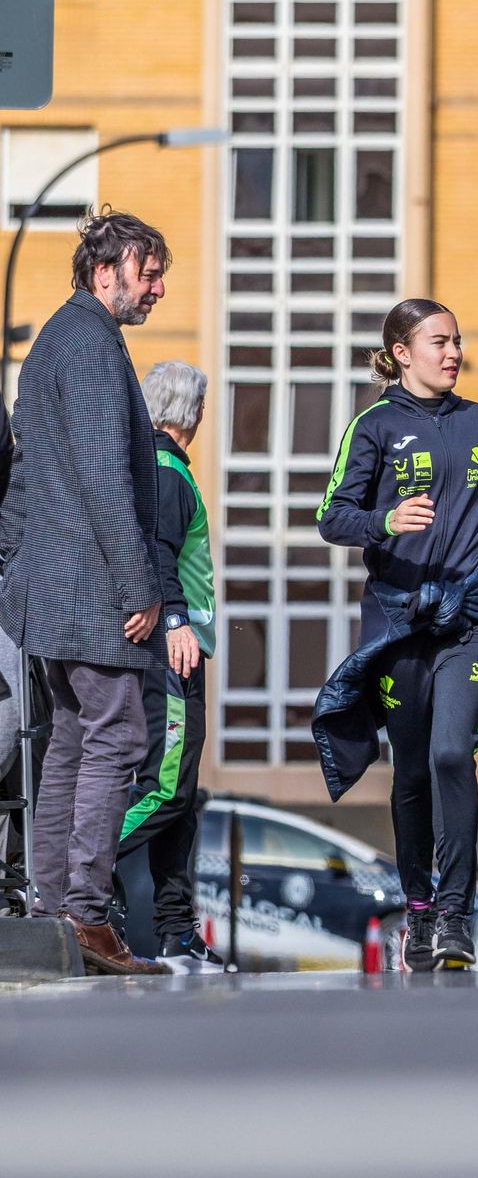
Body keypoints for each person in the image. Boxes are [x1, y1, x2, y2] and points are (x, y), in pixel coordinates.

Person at [312, 298, 478, 971]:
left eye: (458, 341)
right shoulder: (373, 426)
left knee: (453, 754)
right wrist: (384, 521)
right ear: (401, 352)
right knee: (412, 772)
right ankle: (420, 909)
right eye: (439, 342)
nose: (454, 352)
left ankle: (456, 916)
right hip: (400, 621)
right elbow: (331, 516)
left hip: (475, 615)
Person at [0, 211, 173, 975]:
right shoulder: (94, 345)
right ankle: (86, 916)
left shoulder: (52, 344)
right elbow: (106, 477)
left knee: (72, 738)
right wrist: (140, 587)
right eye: (150, 271)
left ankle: (52, 908)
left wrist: (19, 571)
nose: (158, 288)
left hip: (53, 586)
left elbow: (24, 481)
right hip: (94, 586)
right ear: (108, 272)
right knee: (118, 738)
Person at [113, 361, 224, 972]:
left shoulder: (162, 468)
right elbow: (156, 550)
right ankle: (79, 870)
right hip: (169, 652)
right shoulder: (166, 472)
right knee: (166, 788)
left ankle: (177, 930)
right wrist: (177, 619)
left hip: (177, 651)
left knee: (181, 796)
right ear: (192, 413)